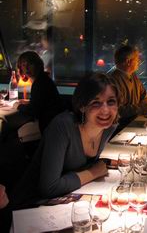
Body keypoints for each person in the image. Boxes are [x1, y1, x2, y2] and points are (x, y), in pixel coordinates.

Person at [11, 72, 120, 208]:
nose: (105, 110)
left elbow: (82, 166)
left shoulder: (108, 128)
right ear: (82, 106)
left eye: (111, 101)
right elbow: (48, 187)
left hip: (68, 198)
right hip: (32, 205)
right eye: (96, 103)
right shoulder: (62, 126)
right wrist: (93, 172)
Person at [1, 51, 63, 142]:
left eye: (30, 63)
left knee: (8, 129)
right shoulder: (43, 79)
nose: (26, 68)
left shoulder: (40, 83)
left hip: (49, 124)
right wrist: (29, 102)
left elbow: (33, 111)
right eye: (23, 65)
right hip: (52, 121)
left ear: (37, 64)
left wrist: (17, 106)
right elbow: (41, 102)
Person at [109, 45, 147, 125]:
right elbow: (116, 110)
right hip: (121, 127)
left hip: (136, 122)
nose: (139, 62)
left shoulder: (133, 76)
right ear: (128, 61)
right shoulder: (113, 81)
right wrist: (140, 108)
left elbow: (145, 96)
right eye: (137, 59)